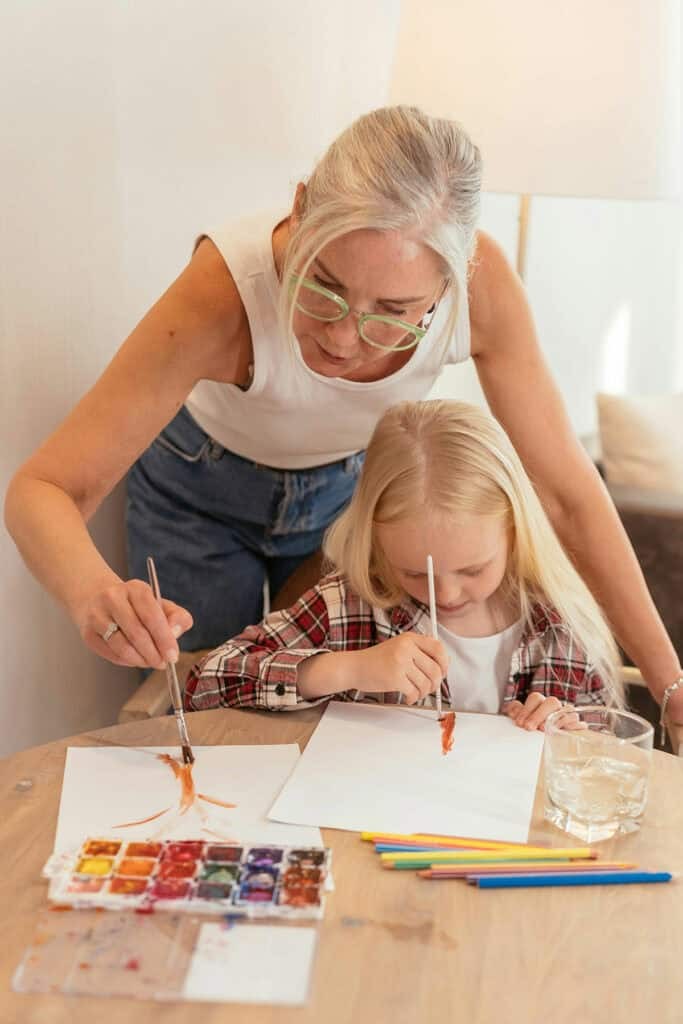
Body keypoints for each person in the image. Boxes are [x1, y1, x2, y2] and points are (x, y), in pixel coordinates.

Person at [4, 106, 682, 723]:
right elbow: (45, 489)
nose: (343, 339)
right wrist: (93, 594)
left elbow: (566, 497)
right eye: (322, 287)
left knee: (337, 709)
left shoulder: (483, 294)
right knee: (203, 712)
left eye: (392, 314)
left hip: (347, 495)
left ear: (450, 283)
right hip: (198, 490)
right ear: (298, 212)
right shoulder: (222, 290)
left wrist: (668, 684)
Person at [184, 400, 623, 729]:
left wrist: (572, 741)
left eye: (472, 570)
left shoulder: (560, 624)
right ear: (375, 538)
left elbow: (611, 754)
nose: (446, 594)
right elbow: (204, 687)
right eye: (415, 573)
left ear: (516, 531)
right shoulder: (351, 604)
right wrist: (345, 669)